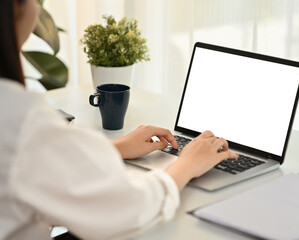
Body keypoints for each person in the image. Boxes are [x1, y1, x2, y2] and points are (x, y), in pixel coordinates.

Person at [0, 0, 238, 239]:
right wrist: (187, 165)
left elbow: (38, 174)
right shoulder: (21, 122)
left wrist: (114, 148)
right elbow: (130, 208)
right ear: (14, 11)